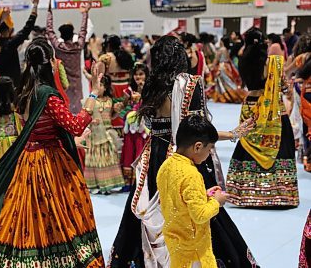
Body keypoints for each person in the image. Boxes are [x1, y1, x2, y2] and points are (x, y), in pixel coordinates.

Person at [0, 37, 104, 267]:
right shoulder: (47, 95)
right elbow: (75, 124)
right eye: (54, 59)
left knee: (24, 215)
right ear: (50, 63)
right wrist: (93, 95)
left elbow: (40, 127)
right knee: (57, 215)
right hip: (49, 163)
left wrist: (73, 140)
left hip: (28, 160)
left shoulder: (25, 91)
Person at [108, 36, 258, 268]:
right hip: (183, 155)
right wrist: (232, 134)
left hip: (154, 156)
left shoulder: (151, 85)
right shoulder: (189, 84)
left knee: (150, 211)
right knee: (200, 207)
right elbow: (196, 131)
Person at [227, 27, 299, 208]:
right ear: (264, 42)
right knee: (280, 146)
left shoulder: (242, 60)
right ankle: (279, 194)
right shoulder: (274, 63)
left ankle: (245, 193)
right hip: (273, 110)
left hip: (251, 106)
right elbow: (284, 88)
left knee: (247, 145)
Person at [157, 115, 229, 268]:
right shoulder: (191, 174)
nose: (209, 154)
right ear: (197, 147)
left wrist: (204, 195)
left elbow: (178, 198)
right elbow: (200, 215)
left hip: (175, 240)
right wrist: (217, 202)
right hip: (194, 247)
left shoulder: (166, 165)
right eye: (209, 149)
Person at [46, 0, 90, 114]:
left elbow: (49, 30)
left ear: (61, 35)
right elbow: (83, 30)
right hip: (77, 82)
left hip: (62, 81)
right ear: (73, 34)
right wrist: (85, 13)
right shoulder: (78, 46)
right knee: (78, 108)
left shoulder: (58, 46)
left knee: (64, 107)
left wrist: (49, 12)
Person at [84, 75, 125, 194]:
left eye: (101, 85)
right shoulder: (91, 100)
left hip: (107, 133)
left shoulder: (109, 100)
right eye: (96, 85)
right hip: (95, 134)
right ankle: (96, 185)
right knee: (96, 159)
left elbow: (111, 116)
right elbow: (85, 115)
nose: (98, 87)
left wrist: (117, 112)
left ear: (105, 87)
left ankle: (108, 184)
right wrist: (92, 121)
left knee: (107, 158)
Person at [0, 0, 39, 86]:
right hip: (13, 82)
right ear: (9, 29)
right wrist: (35, 6)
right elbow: (27, 28)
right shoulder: (11, 43)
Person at [121, 63, 149, 190]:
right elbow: (123, 108)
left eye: (141, 74)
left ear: (146, 75)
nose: (138, 77)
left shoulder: (150, 90)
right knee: (128, 153)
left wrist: (144, 93)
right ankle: (128, 183)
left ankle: (141, 182)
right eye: (136, 74)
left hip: (143, 129)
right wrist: (126, 101)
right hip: (130, 129)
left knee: (140, 152)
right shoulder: (128, 91)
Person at [208, 35, 246, 103]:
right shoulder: (226, 49)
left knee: (225, 83)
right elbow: (229, 59)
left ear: (222, 42)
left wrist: (212, 67)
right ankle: (233, 95)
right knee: (229, 82)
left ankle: (228, 96)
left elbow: (216, 60)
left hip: (222, 67)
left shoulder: (221, 49)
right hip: (227, 66)